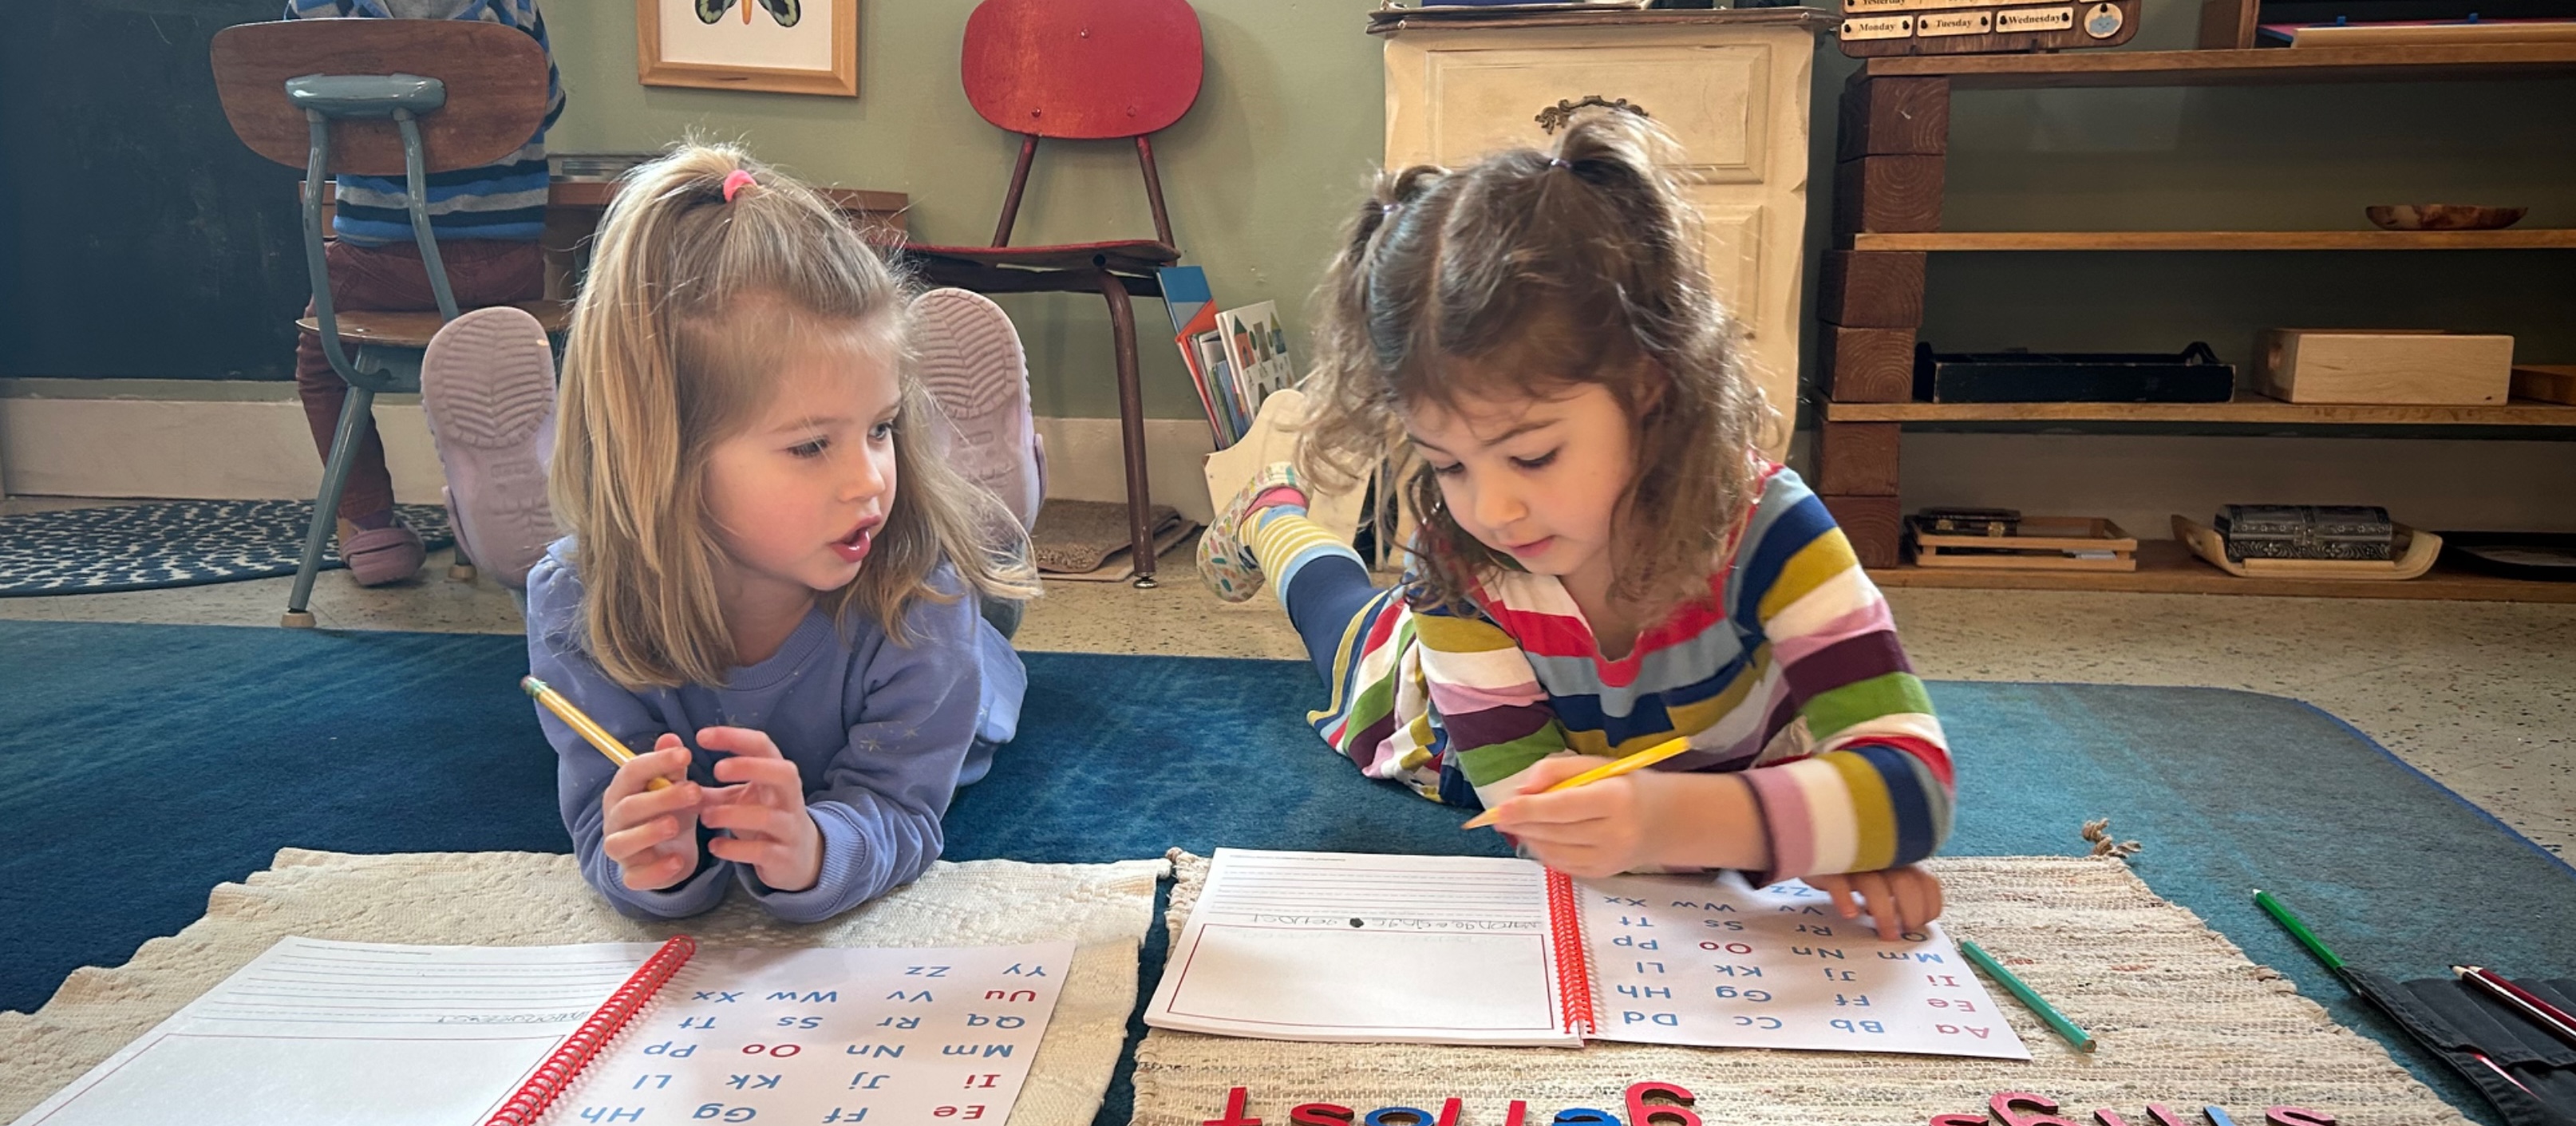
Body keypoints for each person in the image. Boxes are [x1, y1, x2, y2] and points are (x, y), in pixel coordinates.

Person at [1198, 113, 1954, 939]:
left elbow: (1916, 787)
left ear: (1650, 383)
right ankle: (1273, 511)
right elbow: (1535, 810)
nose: (1492, 510)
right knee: (1337, 613)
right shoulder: (1456, 556)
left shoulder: (1773, 530)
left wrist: (1732, 819)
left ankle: (1278, 510)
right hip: (1416, 699)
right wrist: (1805, 826)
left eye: (1532, 455)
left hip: (1654, 754)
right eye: (1446, 464)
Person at [524, 146, 1037, 923]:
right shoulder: (574, 603)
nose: (870, 478)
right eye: (809, 445)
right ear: (660, 454)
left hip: (921, 632)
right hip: (711, 579)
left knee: (977, 609)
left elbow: (901, 806)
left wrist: (817, 850)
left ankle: (1000, 510)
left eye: (883, 427)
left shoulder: (922, 594)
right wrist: (653, 864)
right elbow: (604, 820)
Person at [286, 0, 564, 587]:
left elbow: (282, 111)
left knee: (322, 363)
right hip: (505, 266)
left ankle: (369, 526)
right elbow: (548, 104)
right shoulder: (509, 8)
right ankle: (508, 520)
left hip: (377, 262)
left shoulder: (323, 9)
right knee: (510, 368)